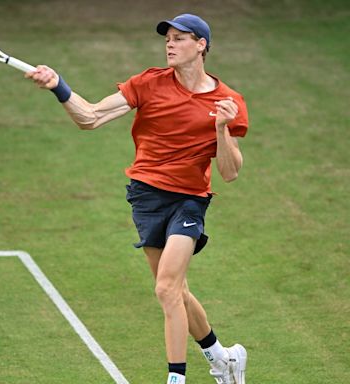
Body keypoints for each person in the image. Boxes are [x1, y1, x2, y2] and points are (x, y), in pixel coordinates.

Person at [26, 13, 248, 384]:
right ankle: (223, 358)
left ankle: (176, 379)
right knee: (176, 291)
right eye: (168, 38)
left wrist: (222, 129)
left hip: (189, 199)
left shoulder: (228, 101)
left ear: (201, 45)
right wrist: (57, 85)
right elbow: (91, 117)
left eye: (179, 38)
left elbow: (230, 171)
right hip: (146, 197)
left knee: (165, 288)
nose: (170, 44)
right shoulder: (148, 83)